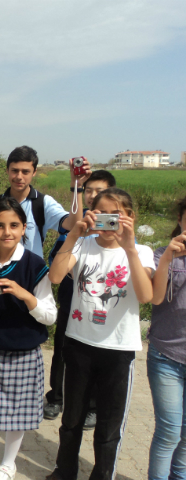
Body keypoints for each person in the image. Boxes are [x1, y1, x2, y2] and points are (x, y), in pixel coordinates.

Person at [46, 188, 154, 480]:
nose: (109, 222)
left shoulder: (142, 251)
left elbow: (146, 295)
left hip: (119, 350)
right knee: (71, 419)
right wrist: (75, 234)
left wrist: (129, 247)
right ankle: (64, 470)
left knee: (109, 425)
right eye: (102, 214)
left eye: (116, 215)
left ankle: (103, 474)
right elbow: (55, 277)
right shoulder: (83, 245)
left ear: (130, 217)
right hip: (79, 343)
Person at [0, 197, 57, 480]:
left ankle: (8, 464)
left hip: (26, 353)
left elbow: (50, 315)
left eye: (14, 225)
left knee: (19, 417)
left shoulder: (35, 265)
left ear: (24, 228)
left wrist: (23, 293)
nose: (7, 232)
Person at [44, 170, 117, 428]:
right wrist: (77, 232)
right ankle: (56, 397)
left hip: (103, 307)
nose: (93, 195)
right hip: (71, 300)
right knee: (63, 349)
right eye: (89, 190)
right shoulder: (76, 229)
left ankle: (94, 406)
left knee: (98, 354)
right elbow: (57, 270)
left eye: (100, 191)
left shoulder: (117, 234)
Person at [0, 147, 91, 259]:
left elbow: (73, 225)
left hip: (32, 274)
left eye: (25, 172)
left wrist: (77, 186)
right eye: (15, 171)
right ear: (7, 170)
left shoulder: (43, 203)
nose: (19, 177)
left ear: (34, 172)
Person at [146, 196, 186, 480]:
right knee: (170, 431)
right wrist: (169, 259)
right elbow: (156, 297)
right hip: (166, 356)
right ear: (180, 220)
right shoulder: (163, 254)